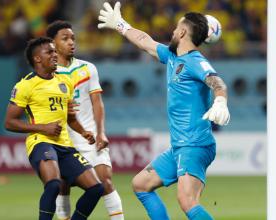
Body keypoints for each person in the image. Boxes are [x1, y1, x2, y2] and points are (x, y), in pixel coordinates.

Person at [98, 2, 230, 220]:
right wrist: (121, 25)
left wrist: (221, 101)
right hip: (180, 146)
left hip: (195, 144)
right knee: (140, 184)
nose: (172, 31)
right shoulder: (173, 57)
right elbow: (145, 42)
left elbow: (217, 82)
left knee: (187, 201)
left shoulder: (196, 61)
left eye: (176, 27)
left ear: (183, 32)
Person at [4, 37, 104, 220]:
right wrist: (44, 128)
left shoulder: (65, 83)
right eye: (49, 52)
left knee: (96, 188)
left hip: (65, 145)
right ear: (37, 59)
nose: (55, 54)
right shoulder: (25, 85)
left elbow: (69, 118)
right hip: (41, 142)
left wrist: (83, 132)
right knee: (53, 185)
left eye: (54, 51)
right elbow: (9, 122)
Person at [46, 20, 124, 220]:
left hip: (89, 137)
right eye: (65, 39)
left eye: (73, 38)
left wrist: (101, 132)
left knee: (105, 181)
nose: (71, 42)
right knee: (63, 186)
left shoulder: (88, 68)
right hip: (64, 140)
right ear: (52, 44)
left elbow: (97, 102)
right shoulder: (48, 75)